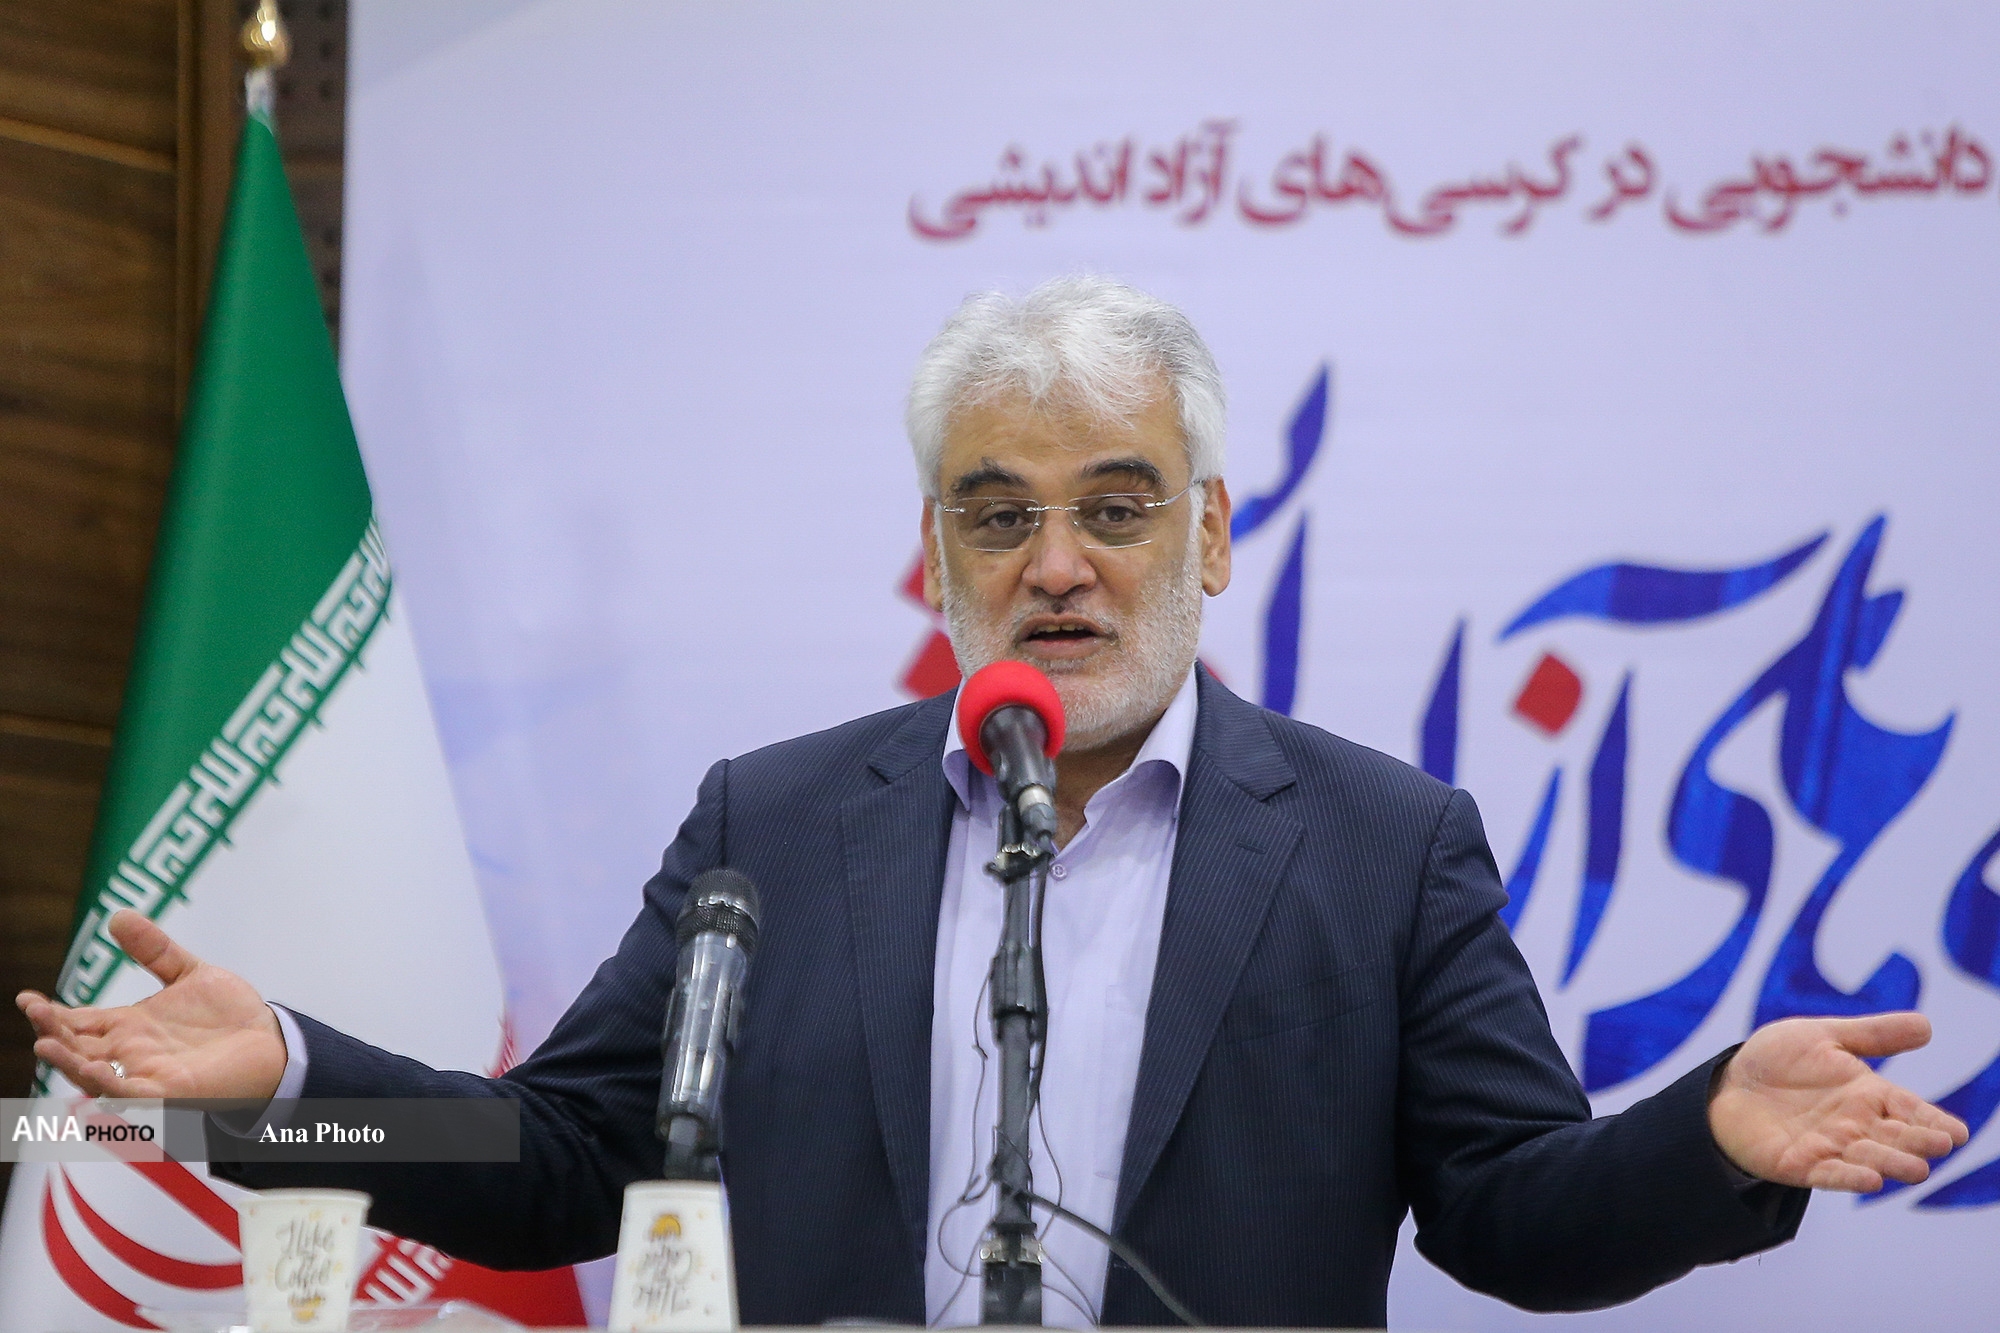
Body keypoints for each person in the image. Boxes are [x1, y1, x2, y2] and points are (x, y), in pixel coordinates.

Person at [20, 277, 1969, 1328]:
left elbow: (1514, 1217)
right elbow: (568, 1153)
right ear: (935, 549)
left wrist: (1708, 1136)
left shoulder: (1380, 847)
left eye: (1117, 506)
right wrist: (290, 1074)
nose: (1057, 564)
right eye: (997, 512)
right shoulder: (774, 826)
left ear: (1211, 533)